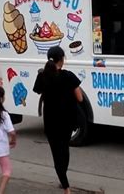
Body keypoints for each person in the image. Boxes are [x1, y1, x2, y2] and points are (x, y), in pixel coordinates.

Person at [33, 46, 83, 194]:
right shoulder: (68, 76)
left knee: (56, 154)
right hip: (66, 121)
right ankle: (65, 182)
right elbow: (80, 98)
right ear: (62, 59)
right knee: (64, 151)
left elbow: (38, 91)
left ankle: (65, 184)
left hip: (50, 122)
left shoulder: (42, 76)